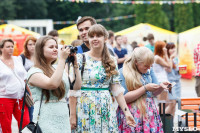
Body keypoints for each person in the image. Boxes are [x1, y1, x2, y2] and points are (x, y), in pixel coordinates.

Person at [71, 24, 135, 132]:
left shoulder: (112, 60)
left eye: (98, 36)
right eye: (92, 36)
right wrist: (72, 115)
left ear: (105, 38)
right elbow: (73, 90)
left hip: (106, 107)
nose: (94, 39)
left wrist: (127, 112)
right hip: (85, 106)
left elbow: (117, 90)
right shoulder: (80, 58)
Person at [27, 36, 81, 133]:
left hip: (63, 116)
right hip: (45, 118)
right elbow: (53, 84)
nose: (55, 49)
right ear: (40, 50)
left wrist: (75, 64)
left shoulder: (57, 68)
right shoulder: (34, 71)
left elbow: (76, 86)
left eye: (56, 47)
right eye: (51, 47)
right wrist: (62, 60)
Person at [117, 47, 170, 132]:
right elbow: (124, 98)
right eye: (146, 65)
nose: (149, 68)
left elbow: (154, 93)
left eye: (150, 65)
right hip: (131, 114)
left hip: (149, 113)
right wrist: (145, 88)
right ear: (136, 62)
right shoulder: (122, 72)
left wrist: (161, 87)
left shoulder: (149, 70)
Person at [0, 38, 31, 133]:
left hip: (20, 97)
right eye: (8, 47)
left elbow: (24, 78)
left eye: (12, 46)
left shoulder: (17, 59)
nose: (11, 49)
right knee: (6, 126)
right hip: (4, 98)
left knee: (26, 123)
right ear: (1, 49)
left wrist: (30, 93)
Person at [18, 36, 37, 122]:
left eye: (34, 44)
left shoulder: (40, 57)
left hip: (39, 88)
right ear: (26, 46)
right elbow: (20, 75)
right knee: (30, 114)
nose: (32, 46)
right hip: (26, 90)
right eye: (30, 44)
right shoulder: (22, 58)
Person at [153, 41, 174, 114]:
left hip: (162, 81)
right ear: (161, 48)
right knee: (163, 103)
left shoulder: (158, 58)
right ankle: (155, 116)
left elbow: (169, 69)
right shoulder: (157, 58)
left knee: (167, 102)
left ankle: (158, 117)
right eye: (164, 47)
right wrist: (169, 57)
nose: (166, 48)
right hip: (161, 81)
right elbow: (169, 65)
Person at [166, 42, 181, 116]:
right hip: (170, 82)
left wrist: (181, 70)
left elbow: (177, 70)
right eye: (171, 48)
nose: (173, 50)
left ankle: (171, 123)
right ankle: (163, 119)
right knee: (172, 102)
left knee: (175, 104)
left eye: (174, 48)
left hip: (177, 82)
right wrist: (171, 58)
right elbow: (168, 70)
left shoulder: (176, 58)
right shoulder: (166, 58)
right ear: (167, 49)